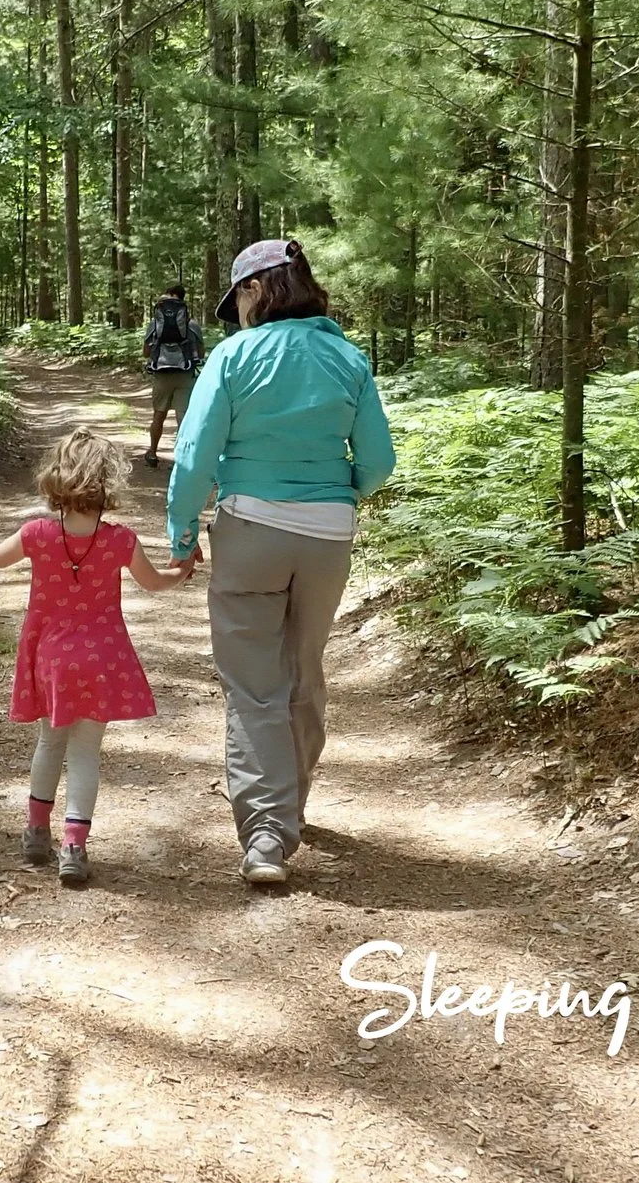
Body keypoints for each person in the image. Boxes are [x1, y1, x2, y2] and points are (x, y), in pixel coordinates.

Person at [167, 238, 395, 886]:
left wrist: (183, 532)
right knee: (303, 667)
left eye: (236, 297)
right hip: (328, 536)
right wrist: (336, 488)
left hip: (252, 532)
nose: (235, 313)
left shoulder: (235, 356)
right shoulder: (348, 357)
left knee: (253, 683)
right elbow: (377, 461)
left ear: (257, 289)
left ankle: (268, 833)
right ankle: (291, 801)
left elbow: (194, 456)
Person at [0, 429, 195, 887]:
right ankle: (74, 846)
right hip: (102, 658)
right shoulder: (120, 540)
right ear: (108, 484)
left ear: (55, 481)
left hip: (54, 658)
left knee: (50, 742)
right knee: (86, 753)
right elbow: (157, 583)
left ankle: (35, 832)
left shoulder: (37, 535)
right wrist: (183, 566)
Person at [140, 283, 205, 468]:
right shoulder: (192, 324)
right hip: (185, 375)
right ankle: (181, 458)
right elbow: (200, 353)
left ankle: (152, 452)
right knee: (183, 417)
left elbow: (146, 352)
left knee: (158, 415)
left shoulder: (155, 323)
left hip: (161, 375)